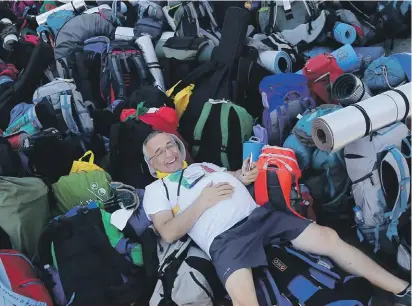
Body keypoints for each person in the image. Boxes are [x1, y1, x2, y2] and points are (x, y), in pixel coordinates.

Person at [142, 131, 411, 306]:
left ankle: (402, 289)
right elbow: (167, 232)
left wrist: (242, 175)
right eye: (160, 153)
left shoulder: (204, 166)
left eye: (171, 145)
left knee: (328, 237)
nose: (169, 154)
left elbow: (233, 177)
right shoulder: (156, 191)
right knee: (244, 299)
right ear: (151, 165)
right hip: (226, 240)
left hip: (261, 217)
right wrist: (202, 202)